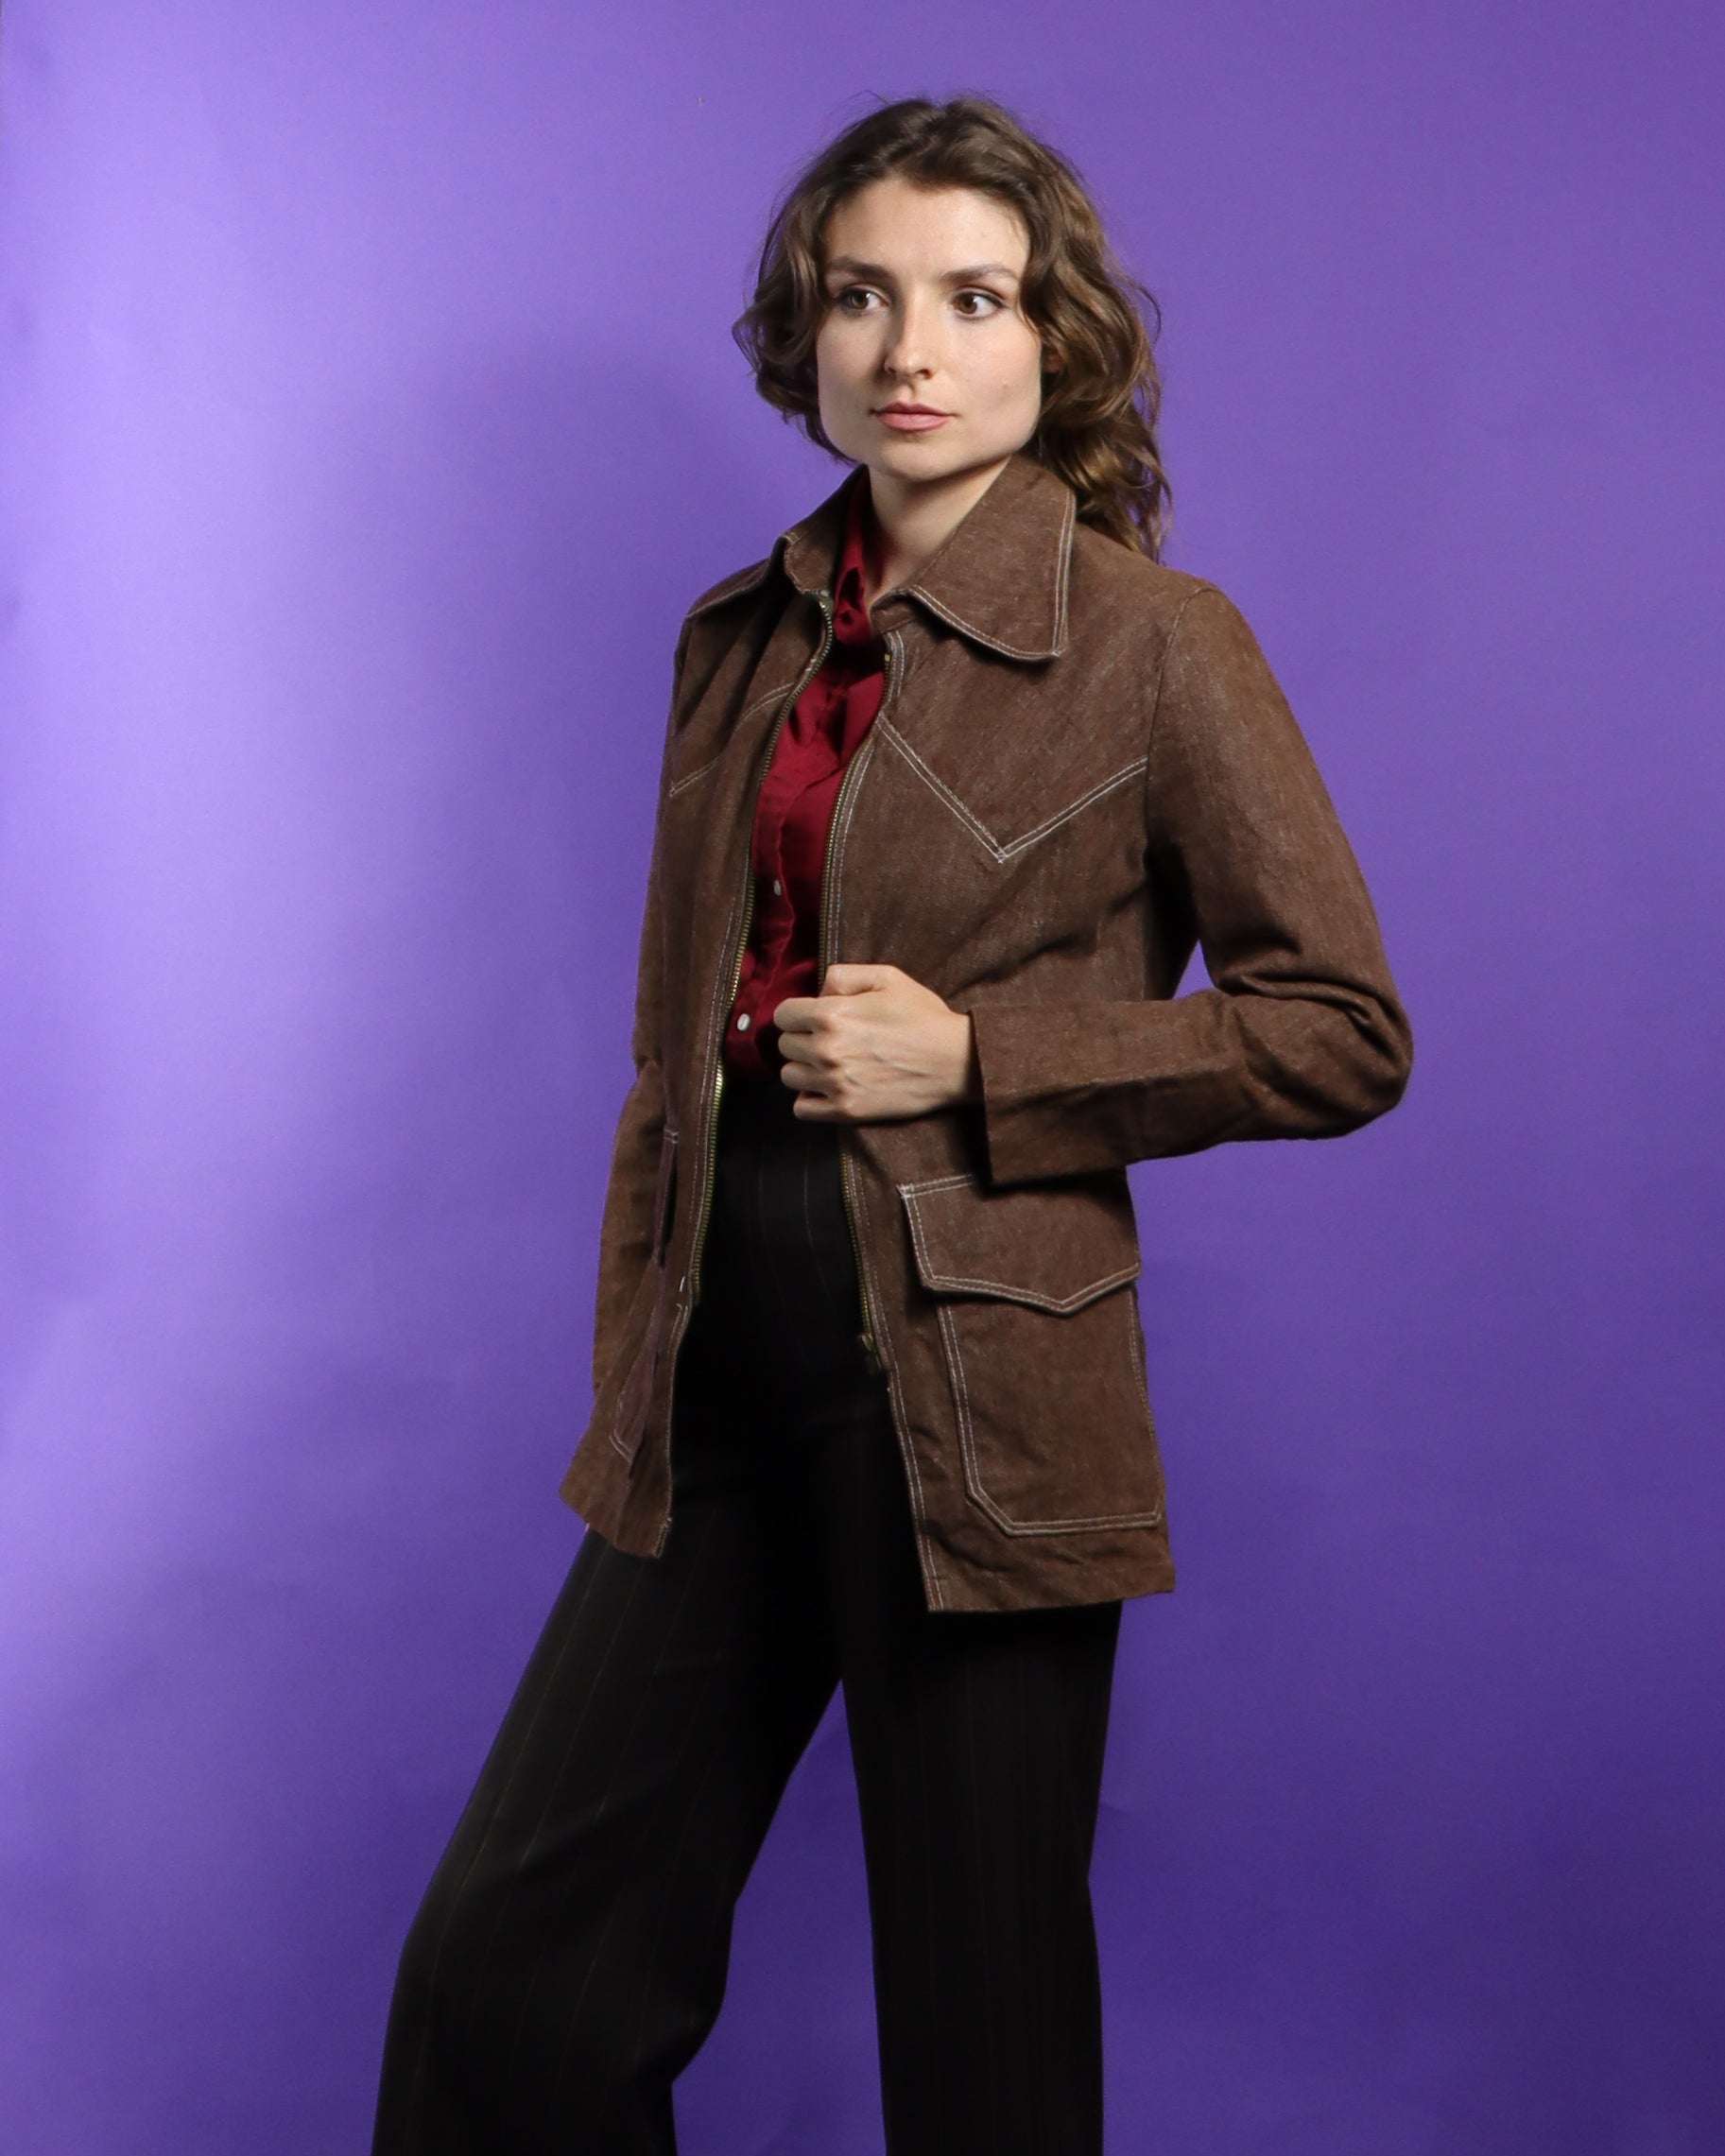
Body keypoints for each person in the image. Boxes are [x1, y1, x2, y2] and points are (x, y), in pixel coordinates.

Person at [371, 92, 1412, 2156]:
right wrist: (640, 1336)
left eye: (972, 298)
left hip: (983, 1384)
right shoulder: (739, 637)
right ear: (807, 333)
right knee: (506, 1984)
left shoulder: (1155, 644)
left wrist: (986, 1060)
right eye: (862, 296)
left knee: (980, 2033)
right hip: (715, 1370)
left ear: (1055, 337)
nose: (910, 349)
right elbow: (672, 1045)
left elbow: (1339, 1031)